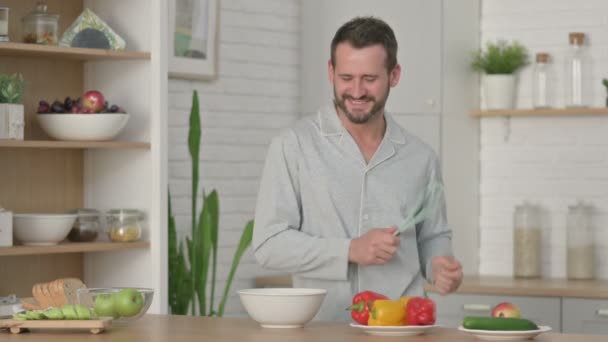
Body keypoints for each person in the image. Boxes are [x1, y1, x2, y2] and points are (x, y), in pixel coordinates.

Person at [252, 16, 463, 322]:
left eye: (370, 78)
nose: (357, 91)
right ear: (331, 72)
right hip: (323, 328)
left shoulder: (422, 157)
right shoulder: (292, 146)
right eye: (347, 77)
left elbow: (433, 236)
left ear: (394, 75)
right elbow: (269, 245)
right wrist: (349, 250)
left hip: (402, 326)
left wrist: (441, 266)